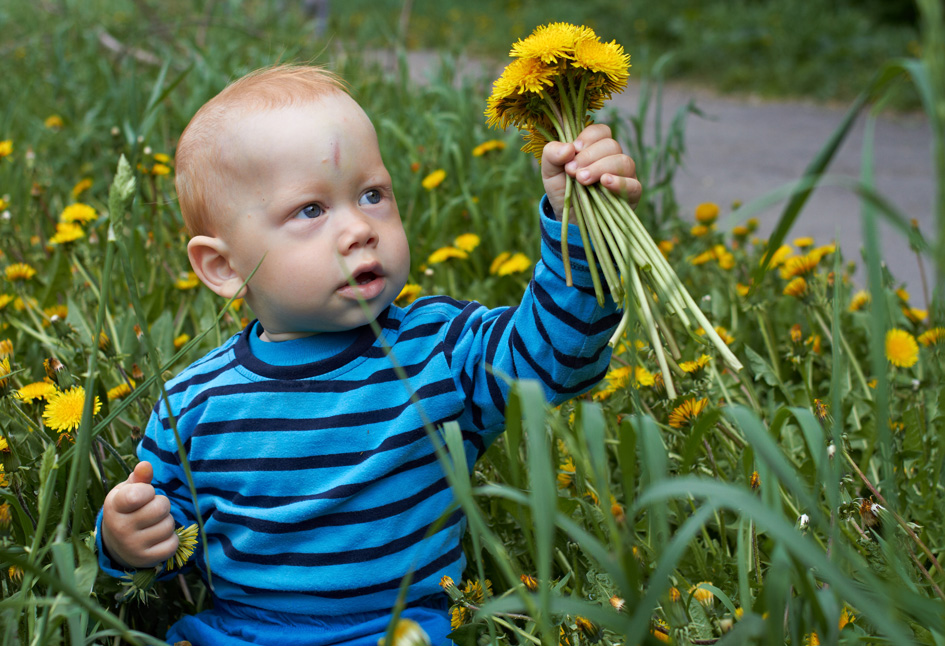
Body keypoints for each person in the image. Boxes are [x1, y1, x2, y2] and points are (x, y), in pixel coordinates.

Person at [96, 64, 641, 645]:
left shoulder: (439, 350)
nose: (359, 227)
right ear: (223, 267)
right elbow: (168, 536)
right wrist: (126, 540)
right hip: (241, 633)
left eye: (372, 194)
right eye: (311, 210)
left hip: (399, 631)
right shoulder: (193, 404)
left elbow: (557, 355)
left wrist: (577, 226)